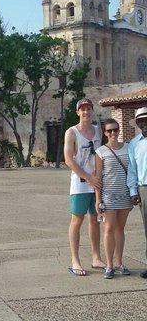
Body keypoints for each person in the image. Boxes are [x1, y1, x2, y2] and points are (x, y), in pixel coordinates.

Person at [64, 98, 105, 276]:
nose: (86, 112)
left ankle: (96, 257)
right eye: (83, 109)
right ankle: (75, 260)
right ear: (78, 112)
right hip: (80, 183)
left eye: (89, 109)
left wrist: (98, 177)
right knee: (77, 220)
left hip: (96, 182)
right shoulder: (72, 132)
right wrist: (87, 177)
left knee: (95, 219)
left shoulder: (98, 130)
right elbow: (68, 160)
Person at [95, 118, 132, 279]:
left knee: (120, 229)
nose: (113, 133)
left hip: (125, 194)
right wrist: (98, 199)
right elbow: (98, 177)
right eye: (109, 131)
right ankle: (109, 265)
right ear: (105, 133)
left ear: (119, 130)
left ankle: (119, 262)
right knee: (109, 228)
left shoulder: (128, 148)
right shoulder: (101, 151)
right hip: (109, 196)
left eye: (115, 130)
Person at [127, 106, 147, 278]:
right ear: (138, 124)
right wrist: (133, 191)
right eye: (141, 121)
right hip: (145, 189)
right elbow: (132, 170)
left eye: (146, 119)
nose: (144, 123)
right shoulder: (134, 144)